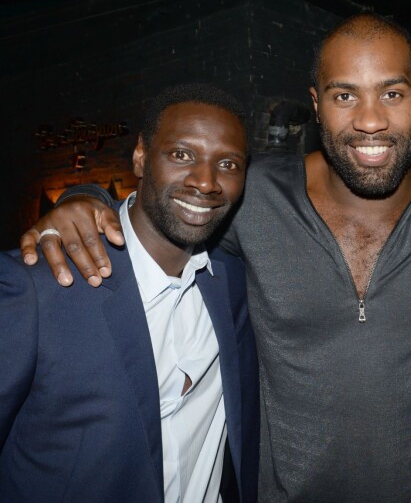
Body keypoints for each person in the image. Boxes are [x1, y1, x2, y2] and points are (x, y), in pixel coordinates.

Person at [20, 14, 411, 501]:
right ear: (317, 106)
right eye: (345, 95)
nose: (370, 120)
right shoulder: (254, 198)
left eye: (392, 93)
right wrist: (83, 200)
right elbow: (168, 205)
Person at [1, 83, 259, 502]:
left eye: (227, 163)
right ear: (140, 155)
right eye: (181, 154)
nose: (206, 181)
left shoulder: (233, 283)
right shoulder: (37, 286)